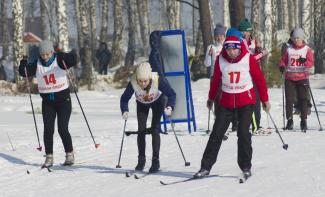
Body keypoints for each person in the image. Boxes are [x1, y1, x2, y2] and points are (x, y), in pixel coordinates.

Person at [194, 35, 270, 179]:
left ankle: (246, 166)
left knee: (243, 133)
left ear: (239, 48)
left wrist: (265, 100)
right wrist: (210, 98)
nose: (231, 52)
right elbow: (216, 80)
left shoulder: (248, 59)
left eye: (234, 49)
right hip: (226, 102)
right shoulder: (221, 60)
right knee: (216, 133)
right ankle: (205, 167)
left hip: (246, 101)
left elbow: (259, 79)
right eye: (228, 49)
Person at [19, 40, 77, 168]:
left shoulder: (59, 60)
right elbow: (24, 72)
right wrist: (24, 60)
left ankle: (69, 154)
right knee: (48, 130)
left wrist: (67, 54)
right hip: (48, 103)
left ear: (52, 52)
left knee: (62, 129)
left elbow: (73, 60)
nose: (45, 57)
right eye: (42, 54)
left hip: (63, 101)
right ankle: (49, 157)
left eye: (47, 54)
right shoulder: (37, 63)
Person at [120, 62, 176, 173]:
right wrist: (124, 110)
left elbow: (171, 94)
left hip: (158, 102)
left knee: (155, 130)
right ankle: (141, 160)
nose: (142, 84)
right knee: (141, 130)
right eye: (140, 81)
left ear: (150, 78)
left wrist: (170, 107)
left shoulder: (157, 79)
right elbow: (124, 98)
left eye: (145, 81)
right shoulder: (133, 82)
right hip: (142, 103)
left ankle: (156, 161)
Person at [279, 28, 314, 132]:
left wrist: (305, 62)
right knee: (289, 100)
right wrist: (281, 66)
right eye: (294, 38)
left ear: (302, 38)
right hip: (289, 77)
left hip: (302, 77)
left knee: (303, 99)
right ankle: (289, 120)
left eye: (298, 38)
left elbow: (311, 62)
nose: (296, 40)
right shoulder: (289, 49)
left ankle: (303, 120)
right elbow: (283, 60)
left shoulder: (307, 49)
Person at [239, 19, 268, 134]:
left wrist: (259, 49)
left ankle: (257, 124)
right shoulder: (240, 43)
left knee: (256, 100)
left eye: (247, 31)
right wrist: (262, 53)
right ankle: (251, 125)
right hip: (246, 75)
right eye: (243, 31)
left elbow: (257, 57)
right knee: (248, 101)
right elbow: (248, 59)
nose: (245, 34)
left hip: (255, 74)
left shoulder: (253, 42)